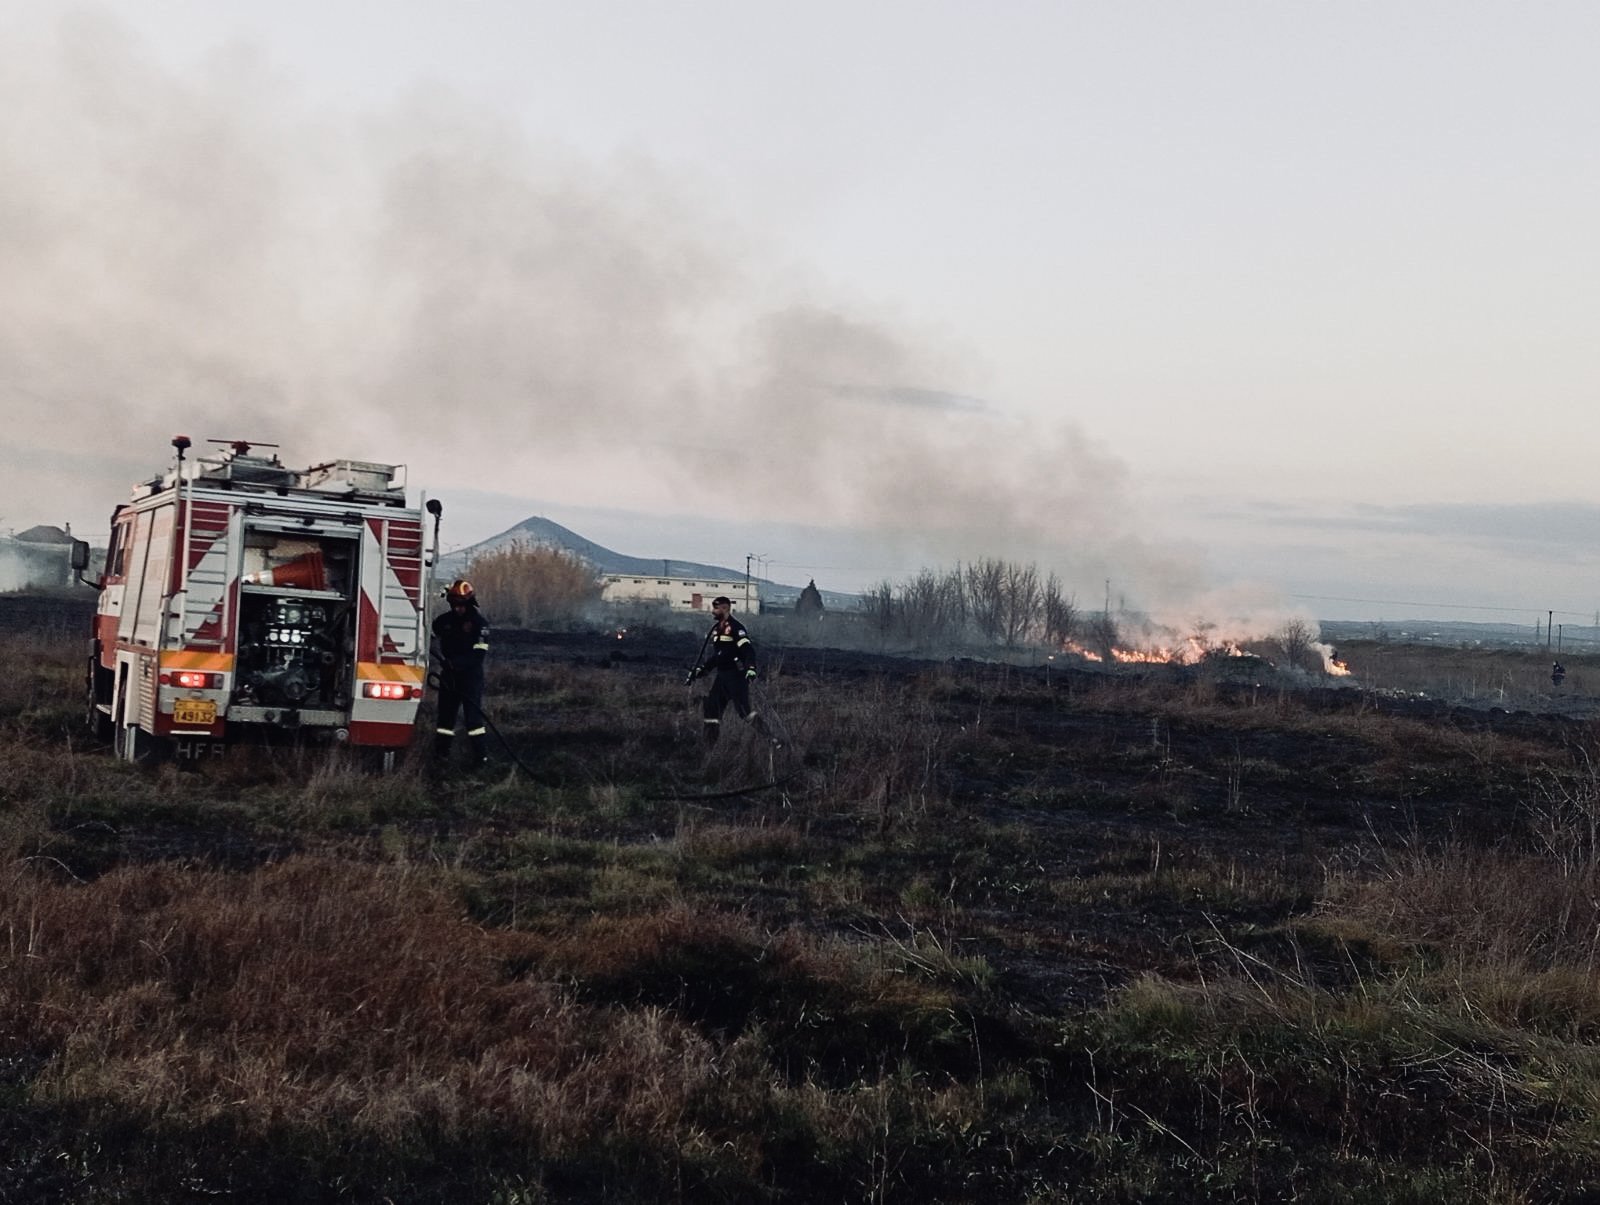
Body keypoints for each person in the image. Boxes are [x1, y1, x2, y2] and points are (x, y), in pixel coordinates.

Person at [687, 595, 778, 747]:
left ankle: (772, 740)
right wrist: (701, 670)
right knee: (711, 710)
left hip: (736, 677)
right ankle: (709, 748)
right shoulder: (718, 630)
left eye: (716, 608)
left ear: (725, 608)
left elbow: (748, 651)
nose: (713, 612)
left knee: (744, 712)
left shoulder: (737, 628)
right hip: (721, 677)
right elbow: (718, 656)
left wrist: (751, 668)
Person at [432, 578, 491, 766]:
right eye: (454, 605)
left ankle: (480, 759)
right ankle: (441, 756)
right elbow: (432, 630)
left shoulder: (480, 624)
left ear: (469, 603)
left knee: (473, 721)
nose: (457, 609)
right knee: (445, 720)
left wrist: (456, 663)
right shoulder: (444, 621)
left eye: (461, 605)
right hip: (449, 677)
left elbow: (478, 655)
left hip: (470, 678)